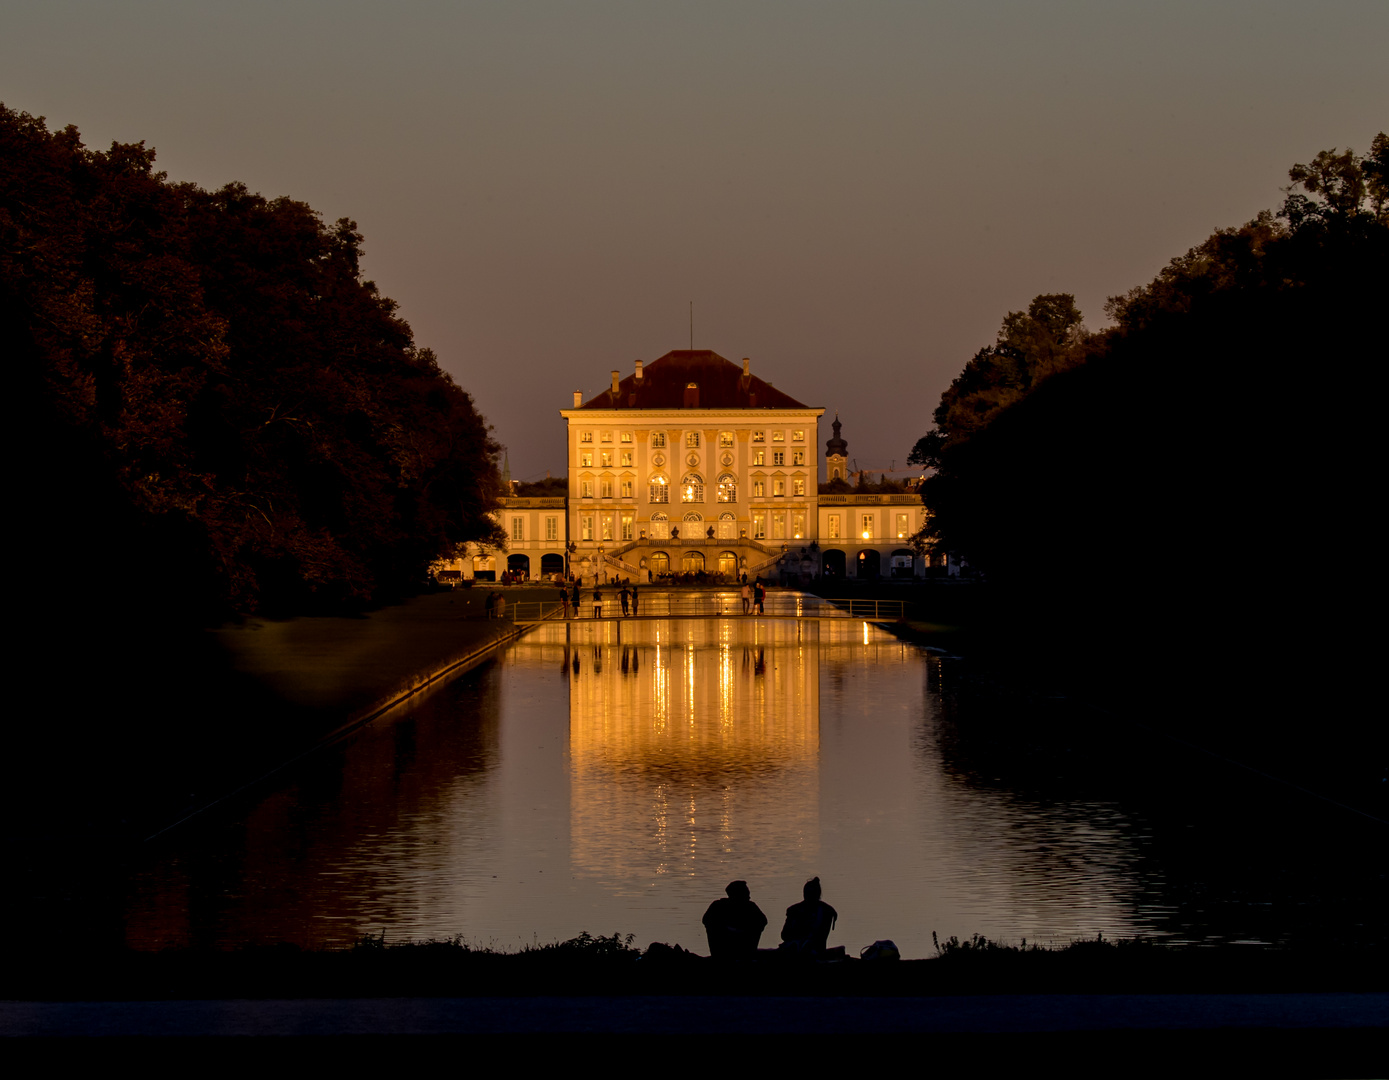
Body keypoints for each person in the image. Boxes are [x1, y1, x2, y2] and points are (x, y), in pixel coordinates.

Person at [701, 880, 767, 960]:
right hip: (721, 948)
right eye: (746, 895)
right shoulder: (718, 906)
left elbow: (762, 921)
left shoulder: (750, 907)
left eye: (748, 894)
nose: (749, 897)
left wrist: (743, 930)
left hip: (746, 946)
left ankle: (745, 956)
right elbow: (707, 921)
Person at [779, 876, 837, 958]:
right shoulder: (794, 910)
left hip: (814, 952)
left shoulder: (826, 911)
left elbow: (820, 940)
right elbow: (784, 935)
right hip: (794, 949)